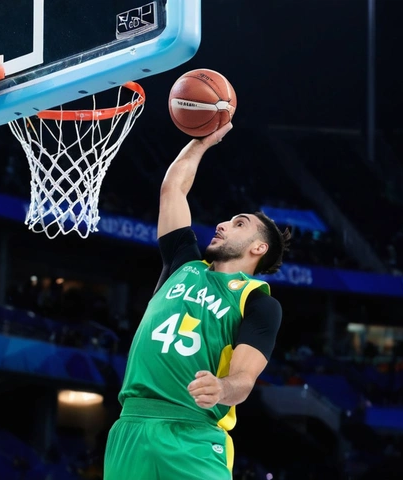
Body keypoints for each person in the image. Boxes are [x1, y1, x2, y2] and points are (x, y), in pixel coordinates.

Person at [103, 123, 291, 480]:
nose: (222, 224)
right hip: (130, 424)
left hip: (193, 431)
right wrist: (201, 143)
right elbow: (173, 188)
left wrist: (222, 388)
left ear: (259, 248)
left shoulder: (258, 303)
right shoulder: (182, 261)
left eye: (238, 224)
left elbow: (244, 380)